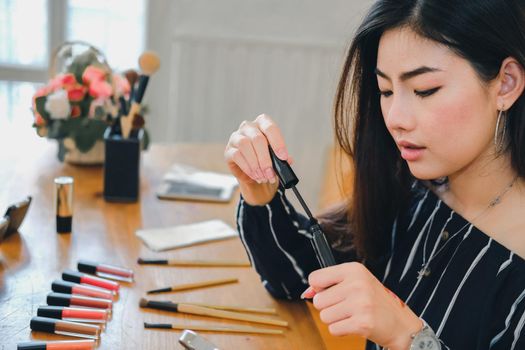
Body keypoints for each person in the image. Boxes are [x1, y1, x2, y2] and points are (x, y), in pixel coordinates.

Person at [224, 0, 525, 349]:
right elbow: (295, 278)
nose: (396, 116)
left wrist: (407, 337)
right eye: (385, 90)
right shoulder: (416, 192)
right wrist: (259, 190)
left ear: (506, 83)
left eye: (425, 90)